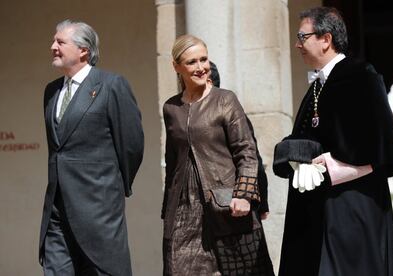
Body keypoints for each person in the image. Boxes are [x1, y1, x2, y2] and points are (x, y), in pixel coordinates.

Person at [273, 7, 393, 276]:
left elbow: (381, 147)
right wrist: (294, 157)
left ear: (326, 39)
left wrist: (328, 165)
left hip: (352, 208)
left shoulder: (361, 75)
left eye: (303, 36)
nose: (297, 43)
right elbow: (306, 137)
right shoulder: (317, 86)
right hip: (317, 211)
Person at [39, 20, 144, 276]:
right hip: (56, 206)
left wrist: (112, 187)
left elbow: (131, 145)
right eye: (54, 41)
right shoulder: (51, 91)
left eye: (60, 42)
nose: (53, 46)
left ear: (83, 50)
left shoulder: (111, 85)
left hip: (98, 207)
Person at [162, 34, 274, 275]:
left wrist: (244, 194)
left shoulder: (225, 100)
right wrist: (168, 210)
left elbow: (247, 150)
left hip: (227, 206)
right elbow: (172, 162)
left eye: (204, 59)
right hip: (184, 212)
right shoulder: (171, 108)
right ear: (176, 67)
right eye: (192, 62)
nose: (201, 67)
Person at [208, 61, 270, 219]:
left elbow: (250, 155)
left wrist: (261, 202)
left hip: (233, 202)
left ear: (209, 81)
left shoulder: (230, 111)